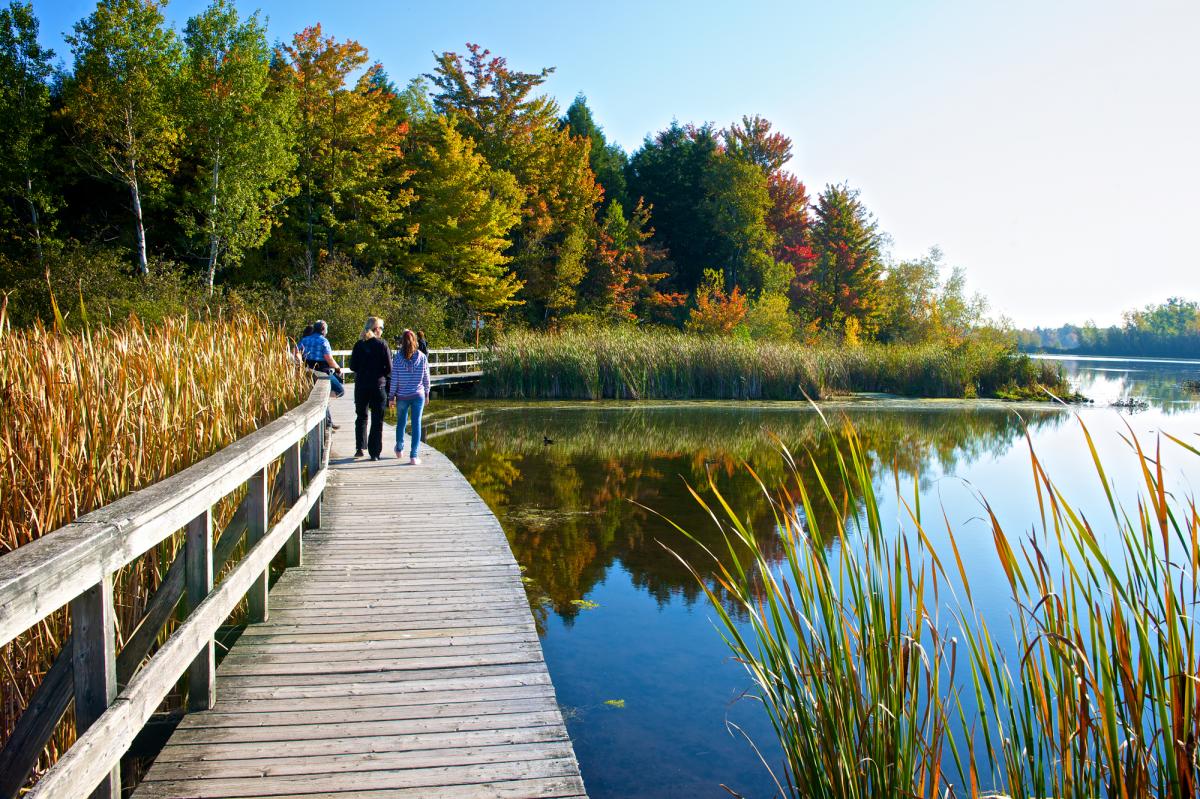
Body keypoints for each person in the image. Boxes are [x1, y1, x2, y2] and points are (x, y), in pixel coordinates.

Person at [349, 317, 391, 460]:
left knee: (361, 417)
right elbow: (389, 368)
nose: (382, 331)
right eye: (382, 328)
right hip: (378, 386)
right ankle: (374, 453)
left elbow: (352, 366)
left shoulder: (359, 345)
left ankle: (360, 447)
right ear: (376, 329)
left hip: (361, 386)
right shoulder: (382, 344)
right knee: (377, 420)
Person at [388, 329, 431, 465]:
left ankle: (399, 448)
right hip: (418, 395)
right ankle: (413, 456)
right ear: (415, 341)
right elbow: (426, 378)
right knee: (416, 423)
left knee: (401, 422)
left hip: (402, 395)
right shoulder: (422, 357)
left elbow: (394, 378)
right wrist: (427, 393)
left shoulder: (398, 358)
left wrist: (391, 396)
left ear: (402, 342)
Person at [299, 320, 345, 429]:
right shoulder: (323, 341)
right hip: (322, 373)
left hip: (307, 372)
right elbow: (329, 358)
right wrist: (338, 368)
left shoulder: (305, 340)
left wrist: (301, 364)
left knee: (320, 397)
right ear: (323, 330)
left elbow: (296, 351)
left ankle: (328, 422)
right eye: (326, 329)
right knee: (340, 391)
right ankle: (327, 419)